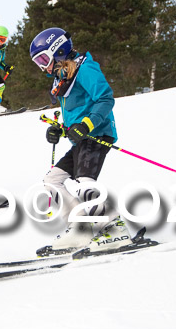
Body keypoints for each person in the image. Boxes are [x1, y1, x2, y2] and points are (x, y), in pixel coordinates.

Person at [29, 27, 132, 255]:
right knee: (51, 180)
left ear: (58, 51)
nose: (43, 66)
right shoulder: (63, 77)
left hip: (97, 134)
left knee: (85, 180)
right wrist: (59, 130)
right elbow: (74, 115)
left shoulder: (85, 68)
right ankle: (80, 227)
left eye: (44, 58)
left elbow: (105, 99)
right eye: (38, 62)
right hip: (82, 139)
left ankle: (114, 227)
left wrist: (87, 124)